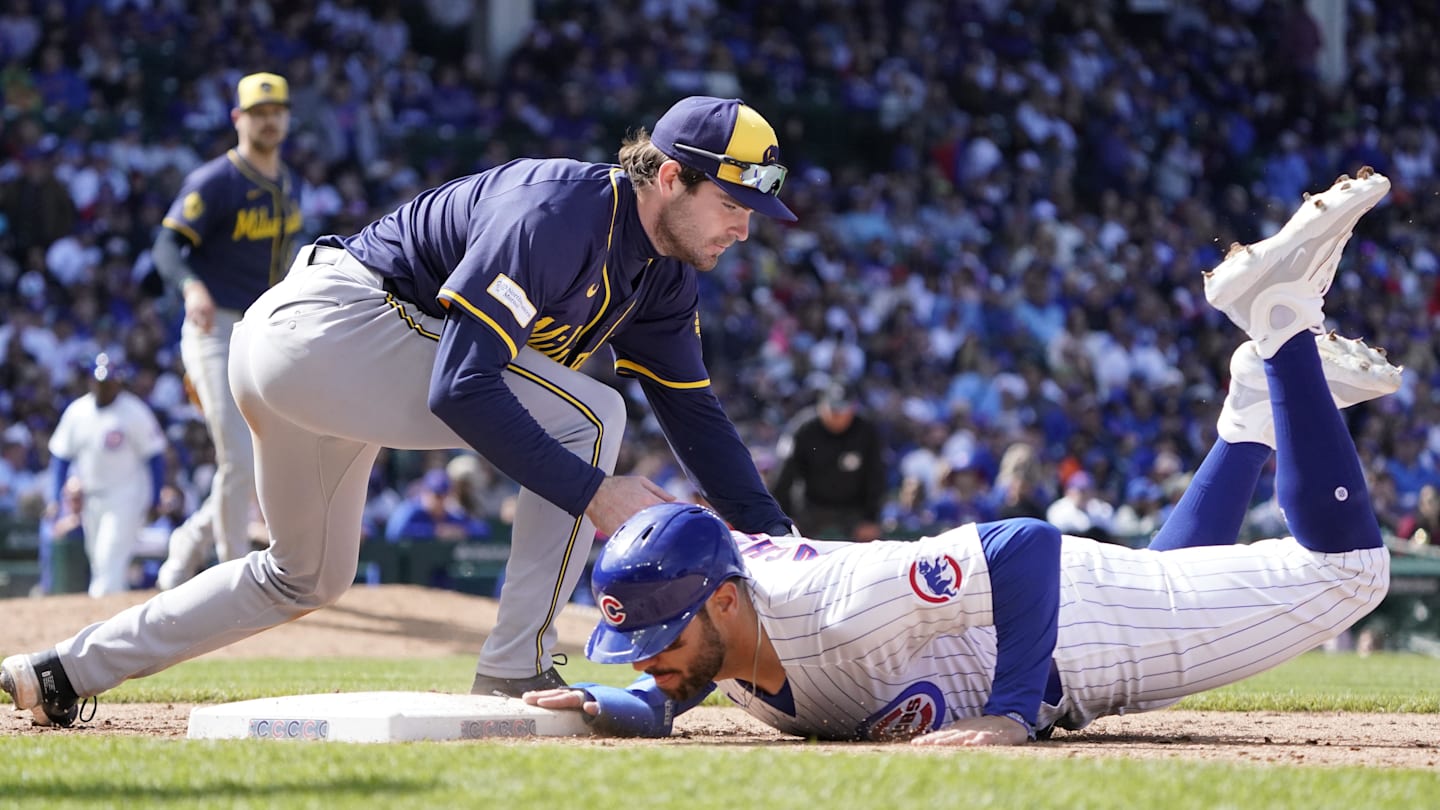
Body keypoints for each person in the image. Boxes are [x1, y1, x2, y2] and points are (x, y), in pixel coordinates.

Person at [521, 169, 1396, 744]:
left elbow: (1025, 546)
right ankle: (1253, 410)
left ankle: (1279, 325)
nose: (648, 657)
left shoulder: (834, 611)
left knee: (1353, 575)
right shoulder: (726, 615)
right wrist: (625, 703)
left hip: (1078, 639)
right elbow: (693, 667)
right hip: (1054, 627)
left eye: (660, 637)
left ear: (720, 597)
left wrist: (1013, 716)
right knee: (1170, 576)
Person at [0, 95, 798, 726]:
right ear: (668, 177)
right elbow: (459, 385)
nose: (743, 224)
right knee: (589, 417)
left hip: (317, 360)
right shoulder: (562, 213)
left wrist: (790, 556)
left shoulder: (662, 277)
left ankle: (62, 671)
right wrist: (596, 494)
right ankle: (514, 666)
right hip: (331, 325)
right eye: (731, 199)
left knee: (302, 575)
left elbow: (699, 423)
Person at [153, 72, 303, 591]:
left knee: (252, 458)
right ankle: (232, 574)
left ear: (286, 117)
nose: (268, 119)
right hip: (215, 327)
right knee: (238, 456)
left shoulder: (287, 181)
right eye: (258, 112)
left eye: (276, 110)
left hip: (263, 330)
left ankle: (187, 546)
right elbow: (167, 246)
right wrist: (191, 286)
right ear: (238, 118)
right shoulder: (216, 179)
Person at [45, 354, 167, 598]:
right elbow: (60, 457)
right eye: (100, 382)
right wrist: (55, 499)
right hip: (92, 495)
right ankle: (115, 613)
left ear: (119, 383)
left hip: (127, 494)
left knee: (109, 554)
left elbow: (155, 456)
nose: (104, 387)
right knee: (99, 559)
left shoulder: (134, 411)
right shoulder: (77, 411)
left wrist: (154, 498)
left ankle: (99, 614)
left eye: (109, 382)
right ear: (90, 382)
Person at [770, 383, 886, 540]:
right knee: (789, 542)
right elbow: (784, 474)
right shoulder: (804, 428)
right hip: (810, 505)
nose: (837, 415)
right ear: (821, 406)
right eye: (833, 409)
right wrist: (786, 516)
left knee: (871, 548)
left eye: (843, 410)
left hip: (853, 507)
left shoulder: (866, 431)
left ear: (853, 408)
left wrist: (872, 518)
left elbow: (876, 476)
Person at [383, 468, 488, 543]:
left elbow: (482, 530)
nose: (442, 500)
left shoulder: (449, 514)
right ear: (425, 491)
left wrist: (463, 532)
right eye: (437, 495)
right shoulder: (410, 510)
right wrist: (435, 532)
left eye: (445, 494)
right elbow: (395, 532)